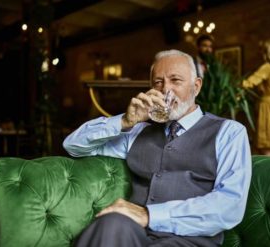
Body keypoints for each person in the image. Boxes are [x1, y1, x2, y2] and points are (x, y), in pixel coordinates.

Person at [63, 49, 252, 247]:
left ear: (196, 87)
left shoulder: (229, 132)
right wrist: (124, 121)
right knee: (112, 222)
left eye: (175, 80)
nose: (165, 90)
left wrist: (149, 215)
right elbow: (73, 145)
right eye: (158, 82)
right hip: (134, 236)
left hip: (190, 242)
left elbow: (230, 205)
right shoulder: (138, 132)